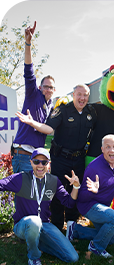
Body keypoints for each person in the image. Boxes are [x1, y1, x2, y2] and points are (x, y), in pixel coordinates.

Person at [16, 84, 97, 231]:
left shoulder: (91, 112)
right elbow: (49, 129)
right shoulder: (63, 110)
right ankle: (57, 226)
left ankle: (72, 224)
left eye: (85, 95)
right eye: (79, 94)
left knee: (76, 188)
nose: (82, 98)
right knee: (58, 191)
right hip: (61, 158)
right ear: (73, 95)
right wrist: (31, 122)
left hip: (79, 159)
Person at [0, 148, 80, 265]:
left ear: (49, 164)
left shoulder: (54, 181)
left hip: (45, 225)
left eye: (44, 162)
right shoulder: (21, 178)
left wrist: (76, 186)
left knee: (72, 257)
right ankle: (34, 258)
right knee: (34, 221)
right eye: (36, 162)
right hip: (23, 225)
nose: (40, 166)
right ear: (31, 162)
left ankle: (37, 242)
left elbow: (69, 203)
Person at [65, 134, 114, 258]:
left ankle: (75, 230)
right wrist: (92, 191)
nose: (112, 150)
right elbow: (82, 198)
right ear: (102, 149)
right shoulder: (94, 168)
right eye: (108, 147)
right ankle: (96, 247)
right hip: (88, 206)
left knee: (111, 240)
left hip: (102, 206)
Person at [12, 21, 55, 173]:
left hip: (37, 157)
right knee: (23, 196)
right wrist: (28, 43)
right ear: (39, 87)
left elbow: (50, 130)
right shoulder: (33, 94)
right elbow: (28, 70)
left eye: (51, 87)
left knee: (33, 196)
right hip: (23, 155)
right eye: (46, 86)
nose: (48, 89)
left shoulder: (51, 107)